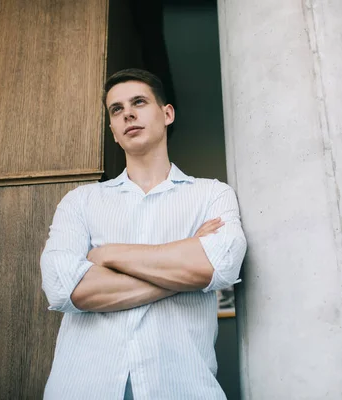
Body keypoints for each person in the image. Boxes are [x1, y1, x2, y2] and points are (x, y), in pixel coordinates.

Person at [40, 68, 247, 399]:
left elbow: (219, 266)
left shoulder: (212, 195)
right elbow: (65, 288)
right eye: (117, 109)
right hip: (84, 386)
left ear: (167, 114)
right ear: (113, 130)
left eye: (138, 102)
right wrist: (186, 260)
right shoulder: (81, 202)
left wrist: (107, 255)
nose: (128, 114)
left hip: (181, 386)